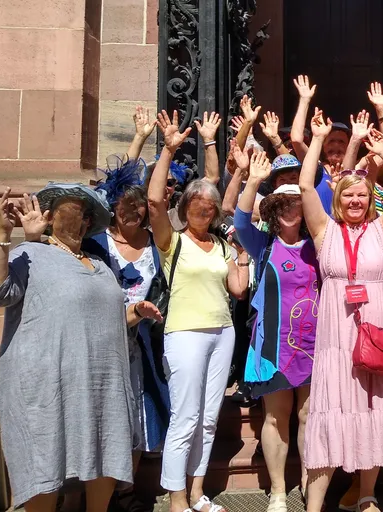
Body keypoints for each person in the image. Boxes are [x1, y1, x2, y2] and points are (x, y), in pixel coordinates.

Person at [0, 185, 162, 512]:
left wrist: (135, 312)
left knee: (104, 456)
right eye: (74, 209)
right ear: (50, 216)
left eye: (86, 213)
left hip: (102, 387)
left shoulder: (100, 264)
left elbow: (103, 320)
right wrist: (4, 231)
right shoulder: (32, 254)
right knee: (44, 461)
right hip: (49, 387)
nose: (82, 218)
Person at [299, 108, 383, 512]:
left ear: (371, 200)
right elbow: (304, 187)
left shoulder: (382, 228)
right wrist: (317, 139)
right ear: (338, 200)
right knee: (331, 408)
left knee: (372, 409)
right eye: (348, 195)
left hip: (377, 327)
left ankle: (366, 494)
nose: (355, 201)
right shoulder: (324, 231)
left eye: (362, 195)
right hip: (338, 336)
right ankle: (314, 505)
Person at [148, 110, 250, 512]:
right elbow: (155, 200)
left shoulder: (222, 246)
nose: (205, 210)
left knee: (208, 419)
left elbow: (238, 291)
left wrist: (241, 257)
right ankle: (176, 501)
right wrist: (168, 152)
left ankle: (196, 493)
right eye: (198, 205)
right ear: (186, 207)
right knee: (185, 418)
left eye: (210, 206)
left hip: (222, 332)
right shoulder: (172, 241)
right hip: (185, 333)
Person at [235, 152, 319, 512]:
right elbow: (239, 222)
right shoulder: (263, 244)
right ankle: (278, 492)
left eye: (296, 203)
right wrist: (253, 180)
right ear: (272, 209)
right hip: (273, 348)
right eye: (282, 204)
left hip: (316, 346)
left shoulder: (319, 242)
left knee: (308, 416)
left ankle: (308, 483)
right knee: (275, 417)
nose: (290, 210)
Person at [87, 156, 172, 468]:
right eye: (122, 205)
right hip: (102, 343)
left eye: (137, 205)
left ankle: (125, 490)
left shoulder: (155, 243)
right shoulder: (96, 244)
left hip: (142, 346)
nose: (131, 212)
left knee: (136, 411)